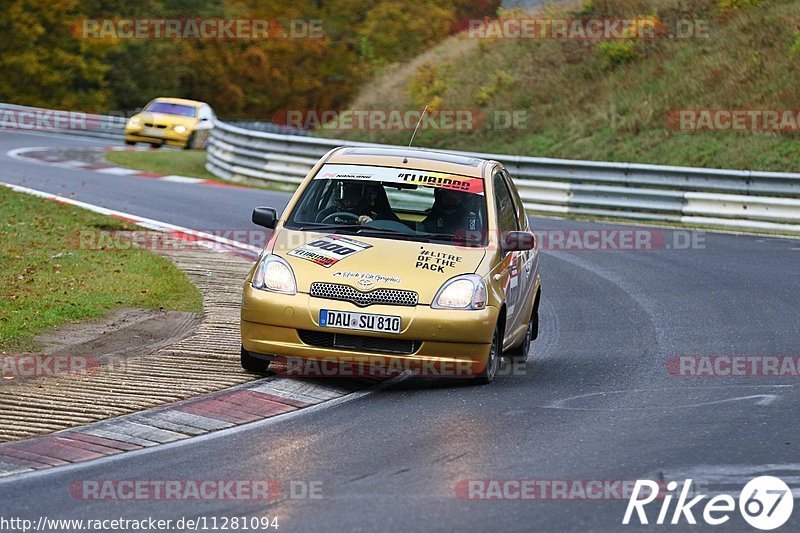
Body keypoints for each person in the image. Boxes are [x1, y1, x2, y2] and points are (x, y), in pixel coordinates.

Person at [316, 181, 382, 224]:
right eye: (345, 196)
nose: (349, 202)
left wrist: (370, 225)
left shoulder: (377, 219)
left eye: (355, 196)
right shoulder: (326, 215)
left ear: (367, 196)